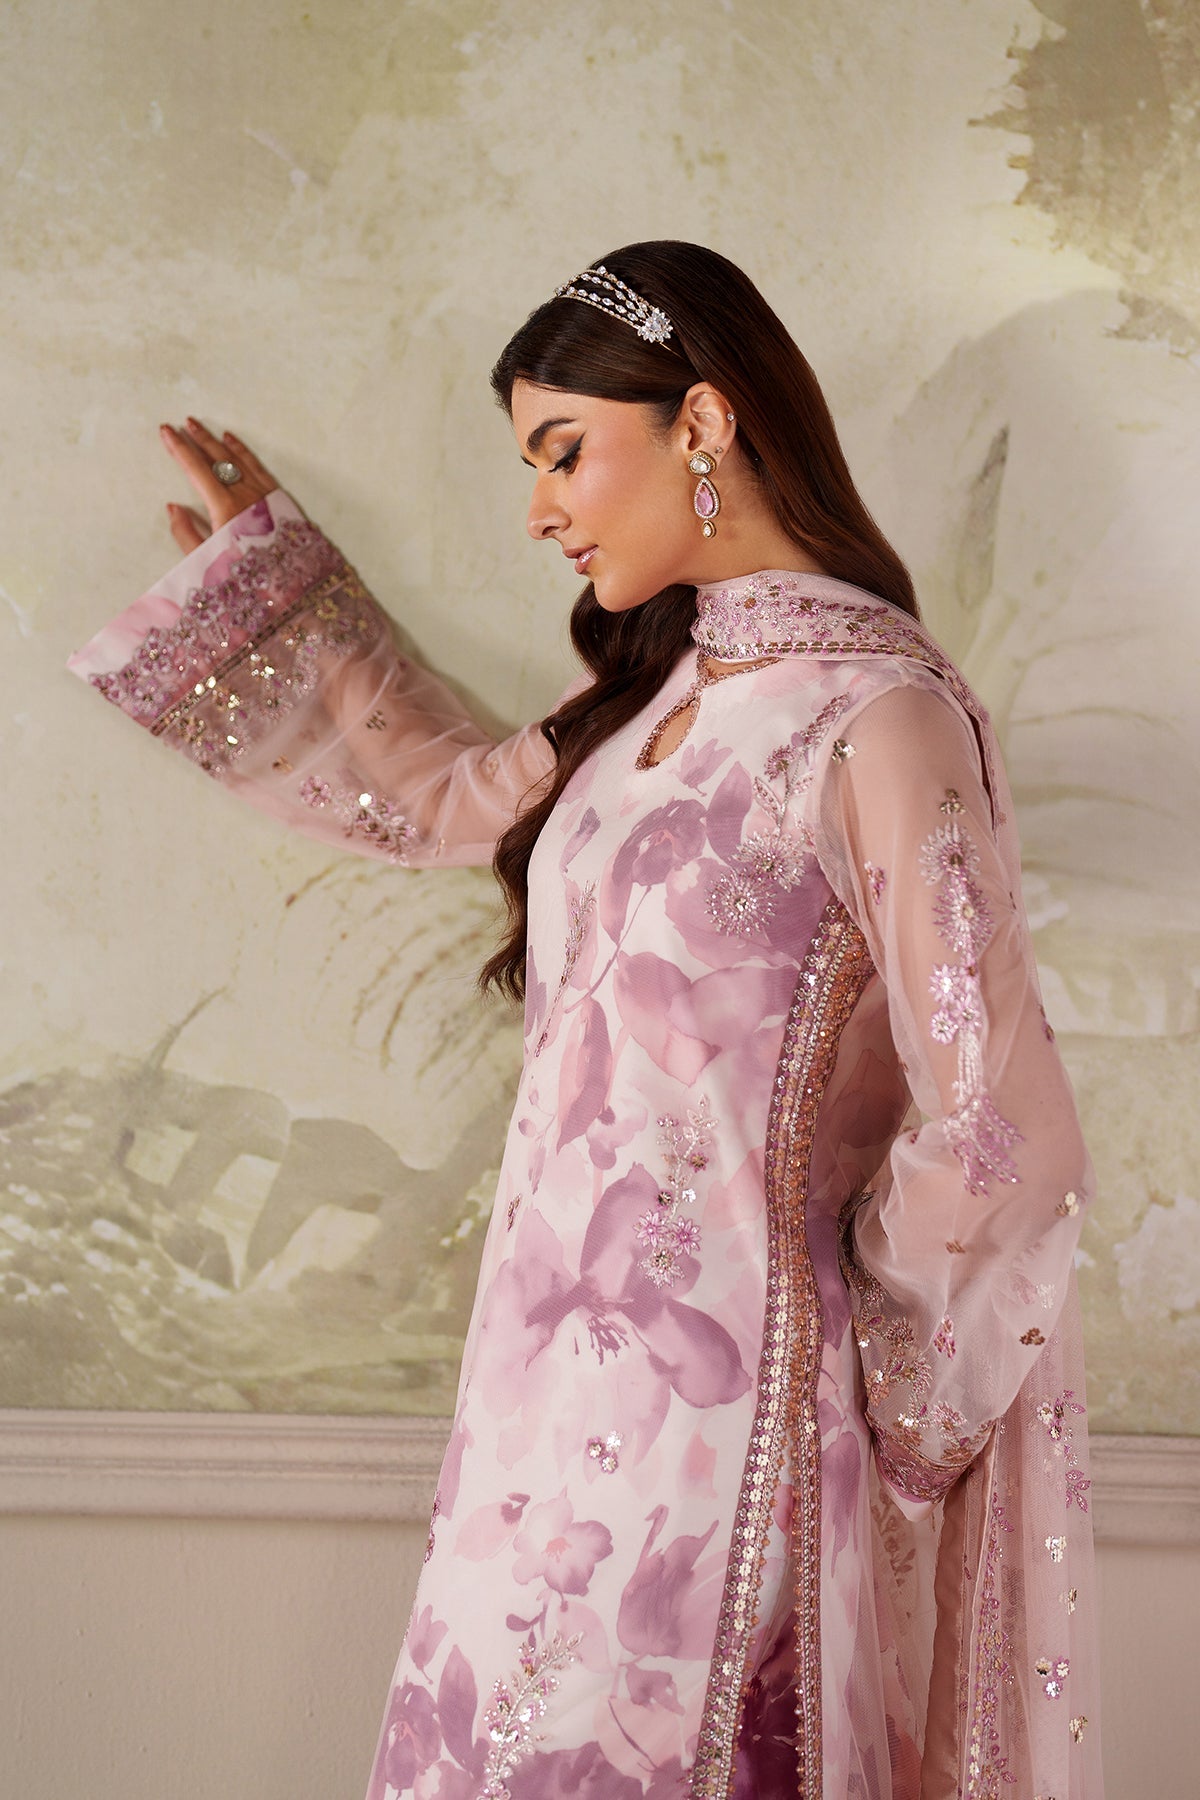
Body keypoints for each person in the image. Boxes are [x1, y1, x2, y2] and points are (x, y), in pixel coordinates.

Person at [70, 242, 1102, 1799]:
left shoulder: (873, 718)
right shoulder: (658, 703)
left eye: (564, 452)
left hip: (726, 1427)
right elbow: (444, 795)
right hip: (536, 1419)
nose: (542, 509)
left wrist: (867, 1365)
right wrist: (278, 594)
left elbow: (1002, 1128)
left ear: (704, 421)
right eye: (529, 466)